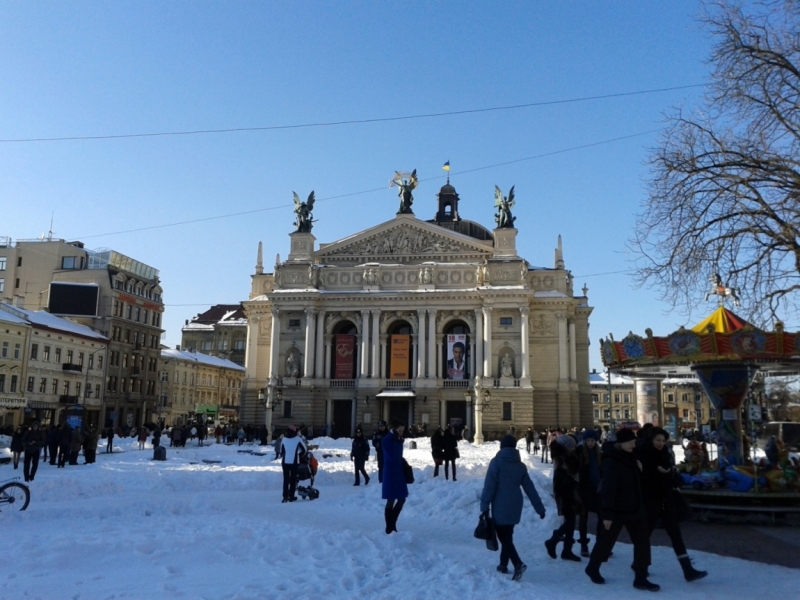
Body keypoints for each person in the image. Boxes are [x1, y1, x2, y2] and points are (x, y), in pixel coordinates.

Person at [584, 428, 659, 592]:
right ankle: (593, 567)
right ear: (621, 443)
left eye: (634, 441)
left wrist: (640, 469)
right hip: (616, 510)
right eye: (630, 442)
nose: (634, 444)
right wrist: (608, 513)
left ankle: (641, 577)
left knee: (642, 543)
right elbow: (609, 489)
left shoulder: (632, 457)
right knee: (606, 542)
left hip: (635, 509)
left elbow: (637, 483)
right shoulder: (612, 461)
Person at [638, 427, 707, 582]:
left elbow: (671, 477)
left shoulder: (665, 454)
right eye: (658, 440)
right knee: (644, 536)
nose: (660, 443)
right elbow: (642, 480)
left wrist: (671, 475)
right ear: (651, 440)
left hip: (667, 501)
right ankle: (640, 567)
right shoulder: (643, 455)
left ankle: (687, 570)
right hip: (650, 503)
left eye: (663, 440)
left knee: (676, 535)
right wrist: (657, 472)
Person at [480, 434, 546, 582]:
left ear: (501, 447)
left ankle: (518, 563)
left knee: (504, 537)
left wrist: (484, 506)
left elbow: (489, 486)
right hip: (516, 504)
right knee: (507, 535)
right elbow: (530, 487)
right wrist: (539, 507)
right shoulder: (520, 465)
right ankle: (503, 564)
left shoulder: (496, 463)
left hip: (500, 504)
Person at [545, 434, 582, 562]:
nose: (574, 448)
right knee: (570, 520)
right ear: (566, 447)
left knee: (571, 520)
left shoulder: (563, 456)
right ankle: (554, 539)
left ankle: (567, 550)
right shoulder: (562, 458)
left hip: (567, 490)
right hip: (565, 492)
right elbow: (571, 471)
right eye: (572, 447)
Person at [577, 429, 602, 557]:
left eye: (592, 440)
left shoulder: (599, 453)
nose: (590, 443)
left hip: (597, 488)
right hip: (584, 489)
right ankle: (583, 544)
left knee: (602, 517)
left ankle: (600, 544)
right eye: (588, 440)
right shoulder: (581, 453)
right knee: (583, 518)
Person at [381, 420, 408, 534]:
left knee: (402, 498)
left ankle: (392, 524)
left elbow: (398, 456)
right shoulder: (387, 440)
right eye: (400, 431)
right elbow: (392, 456)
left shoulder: (398, 439)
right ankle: (390, 527)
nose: (402, 433)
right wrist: (397, 442)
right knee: (391, 500)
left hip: (399, 473)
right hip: (390, 473)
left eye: (403, 431)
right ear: (394, 430)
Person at [279, 425, 307, 503]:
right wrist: (299, 455)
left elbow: (281, 451)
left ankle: (285, 497)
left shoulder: (284, 439)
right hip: (294, 461)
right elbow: (304, 450)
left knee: (286, 479)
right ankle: (291, 496)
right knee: (293, 479)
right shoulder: (298, 439)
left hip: (285, 462)